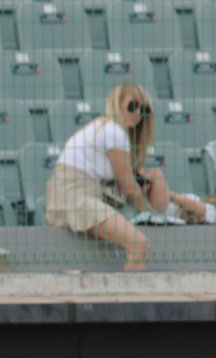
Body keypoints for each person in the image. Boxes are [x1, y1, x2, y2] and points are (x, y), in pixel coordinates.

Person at [45, 82, 170, 271]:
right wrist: (149, 216)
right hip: (73, 195)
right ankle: (134, 297)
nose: (137, 114)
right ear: (118, 104)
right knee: (138, 243)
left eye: (143, 110)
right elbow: (129, 188)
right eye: (132, 106)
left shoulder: (109, 129)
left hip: (84, 194)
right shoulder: (113, 130)